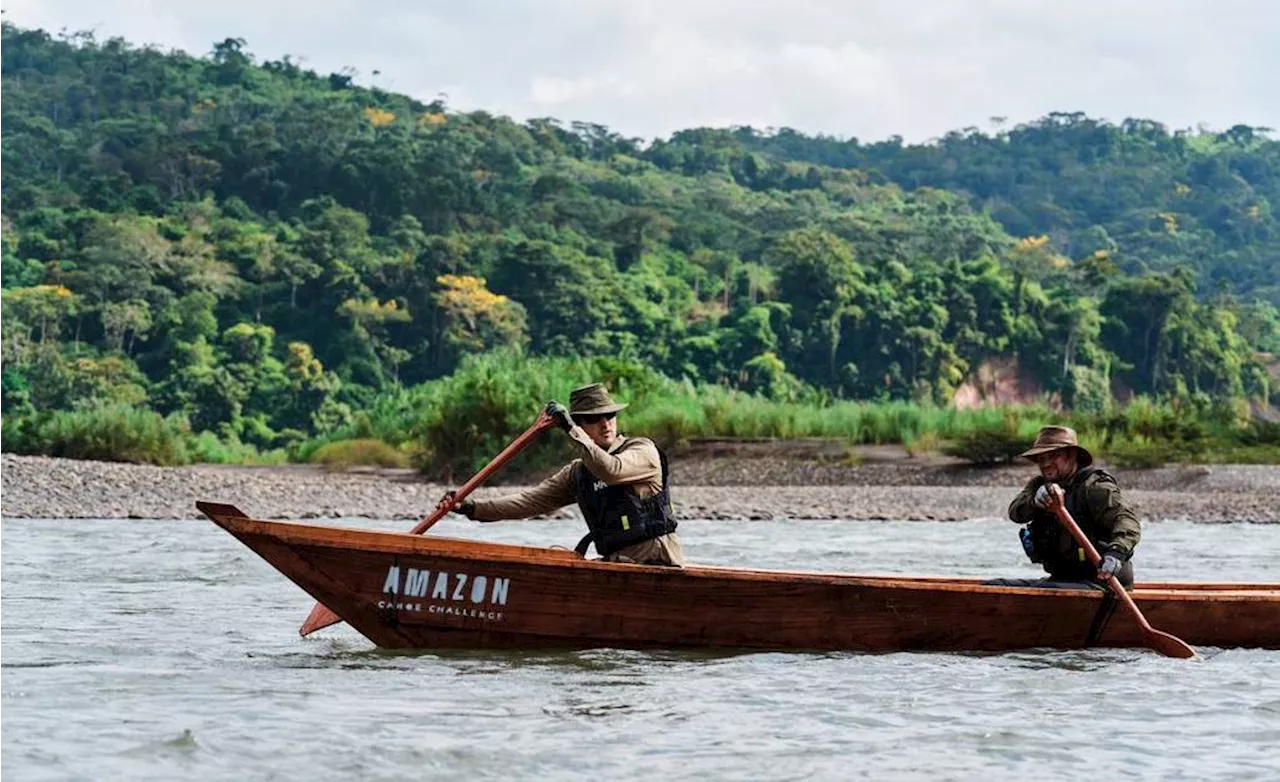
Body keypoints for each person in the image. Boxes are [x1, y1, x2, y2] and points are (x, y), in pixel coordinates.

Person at [443, 383, 686, 567]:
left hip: (657, 562)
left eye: (609, 416)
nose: (605, 424)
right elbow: (529, 502)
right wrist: (470, 508)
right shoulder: (578, 473)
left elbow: (612, 470)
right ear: (581, 423)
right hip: (616, 562)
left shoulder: (642, 450)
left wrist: (572, 429)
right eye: (593, 419)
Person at [1004, 425, 1141, 588]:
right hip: (1063, 578)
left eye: (1053, 456)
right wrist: (1034, 502)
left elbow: (1127, 520)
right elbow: (1015, 513)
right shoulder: (1038, 486)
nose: (1046, 463)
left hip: (1103, 582)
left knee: (1046, 591)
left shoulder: (1094, 486)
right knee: (994, 586)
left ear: (1072, 456)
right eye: (1041, 458)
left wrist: (1116, 552)